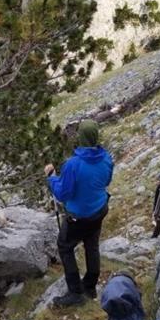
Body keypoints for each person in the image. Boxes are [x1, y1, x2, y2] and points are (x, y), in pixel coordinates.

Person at [44, 120, 113, 307]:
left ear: (81, 137)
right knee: (92, 245)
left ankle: (75, 292)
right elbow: (107, 180)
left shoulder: (73, 164)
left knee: (65, 246)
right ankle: (90, 287)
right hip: (99, 210)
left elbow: (62, 193)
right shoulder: (106, 158)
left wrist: (51, 177)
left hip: (79, 217)